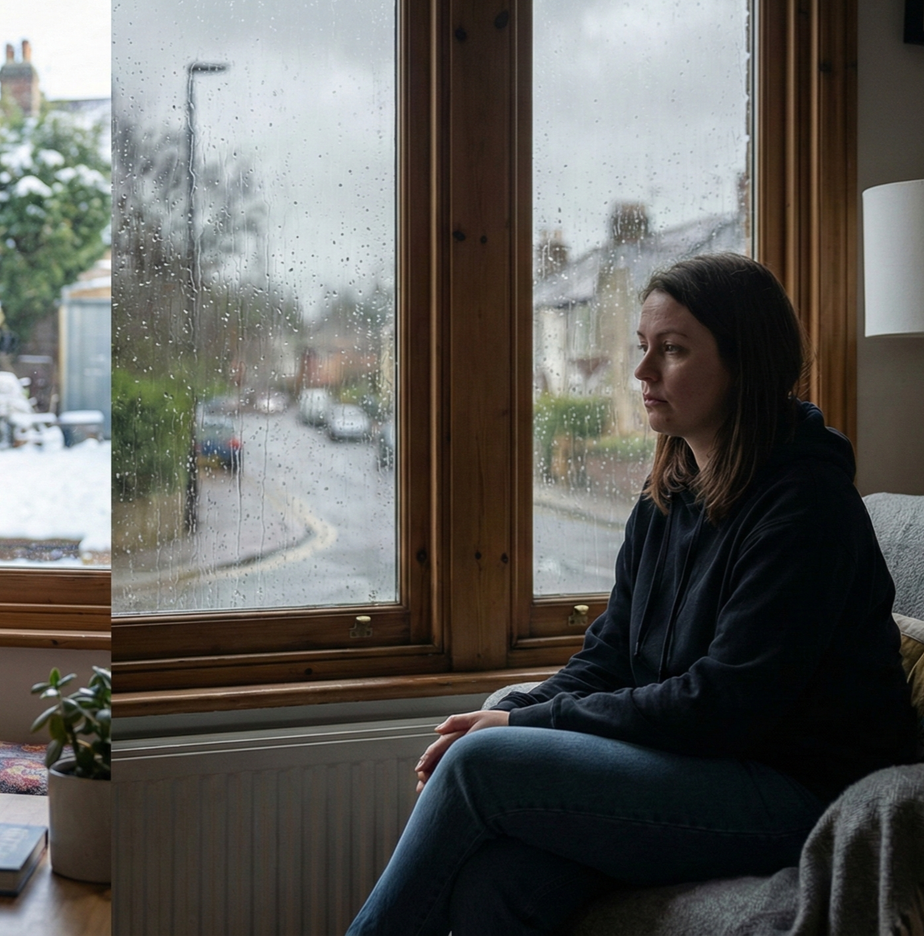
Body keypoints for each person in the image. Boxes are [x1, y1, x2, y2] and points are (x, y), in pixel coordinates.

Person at [347, 253, 918, 936]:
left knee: (477, 766)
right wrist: (515, 710)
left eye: (671, 350)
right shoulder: (664, 498)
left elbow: (723, 704)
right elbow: (610, 656)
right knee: (499, 879)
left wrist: (520, 730)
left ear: (746, 363)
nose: (642, 372)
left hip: (799, 791)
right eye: (642, 347)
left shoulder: (806, 506)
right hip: (697, 767)